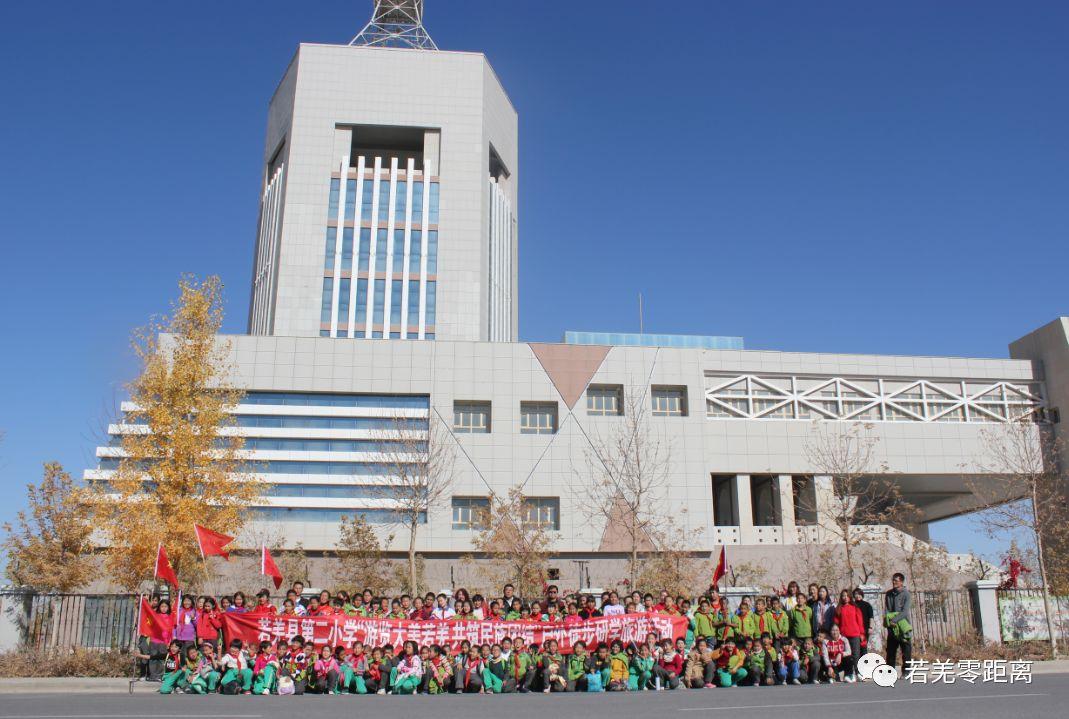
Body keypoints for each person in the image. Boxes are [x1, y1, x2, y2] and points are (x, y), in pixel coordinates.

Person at [884, 572, 913, 672]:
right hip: (892, 627)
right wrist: (889, 622)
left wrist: (895, 620)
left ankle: (906, 671)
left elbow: (905, 612)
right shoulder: (888, 594)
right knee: (891, 651)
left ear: (901, 582)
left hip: (903, 626)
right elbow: (887, 610)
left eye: (896, 580)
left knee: (906, 650)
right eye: (893, 580)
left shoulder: (906, 594)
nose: (894, 582)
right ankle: (890, 672)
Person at [834, 589, 864, 678]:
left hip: (855, 634)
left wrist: (862, 633)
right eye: (843, 596)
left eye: (847, 596)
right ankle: (849, 673)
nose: (845, 598)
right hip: (843, 636)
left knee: (856, 655)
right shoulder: (839, 609)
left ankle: (858, 672)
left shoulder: (855, 608)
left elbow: (860, 621)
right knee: (846, 655)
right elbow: (836, 623)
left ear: (850, 597)